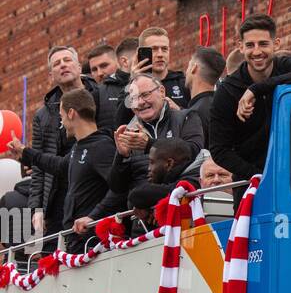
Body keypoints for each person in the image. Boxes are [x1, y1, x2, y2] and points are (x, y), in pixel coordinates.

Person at [209, 13, 291, 211]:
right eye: (250, 45)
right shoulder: (227, 91)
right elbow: (219, 150)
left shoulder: (287, 67)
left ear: (276, 44)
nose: (257, 52)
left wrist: (256, 89)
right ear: (240, 47)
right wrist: (260, 176)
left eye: (263, 44)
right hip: (251, 188)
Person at [7, 89, 117, 254]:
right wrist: (25, 153)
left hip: (94, 244)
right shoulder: (77, 148)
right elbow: (57, 165)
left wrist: (93, 216)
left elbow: (119, 188)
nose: (62, 121)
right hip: (76, 243)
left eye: (62, 115)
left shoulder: (102, 146)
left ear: (71, 113)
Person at [21, 46, 114, 238]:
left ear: (79, 67)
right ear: (50, 76)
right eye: (57, 63)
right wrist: (37, 209)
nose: (63, 65)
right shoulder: (43, 114)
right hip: (59, 195)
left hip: (96, 185)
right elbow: (39, 170)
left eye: (67, 60)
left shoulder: (102, 94)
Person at [107, 74, 204, 209]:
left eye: (145, 95)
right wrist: (122, 156)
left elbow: (193, 152)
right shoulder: (128, 133)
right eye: (134, 98)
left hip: (183, 209)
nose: (140, 102)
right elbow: (117, 188)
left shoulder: (185, 117)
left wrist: (149, 145)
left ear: (162, 92)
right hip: (143, 220)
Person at [130, 25, 189, 108]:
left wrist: (179, 112)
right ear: (141, 53)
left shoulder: (184, 83)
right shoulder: (130, 85)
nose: (160, 54)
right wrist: (133, 81)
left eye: (164, 49)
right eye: (154, 49)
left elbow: (198, 117)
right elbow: (121, 118)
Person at [184, 45, 226, 144]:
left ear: (194, 68)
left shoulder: (195, 114)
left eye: (189, 65)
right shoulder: (223, 106)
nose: (185, 72)